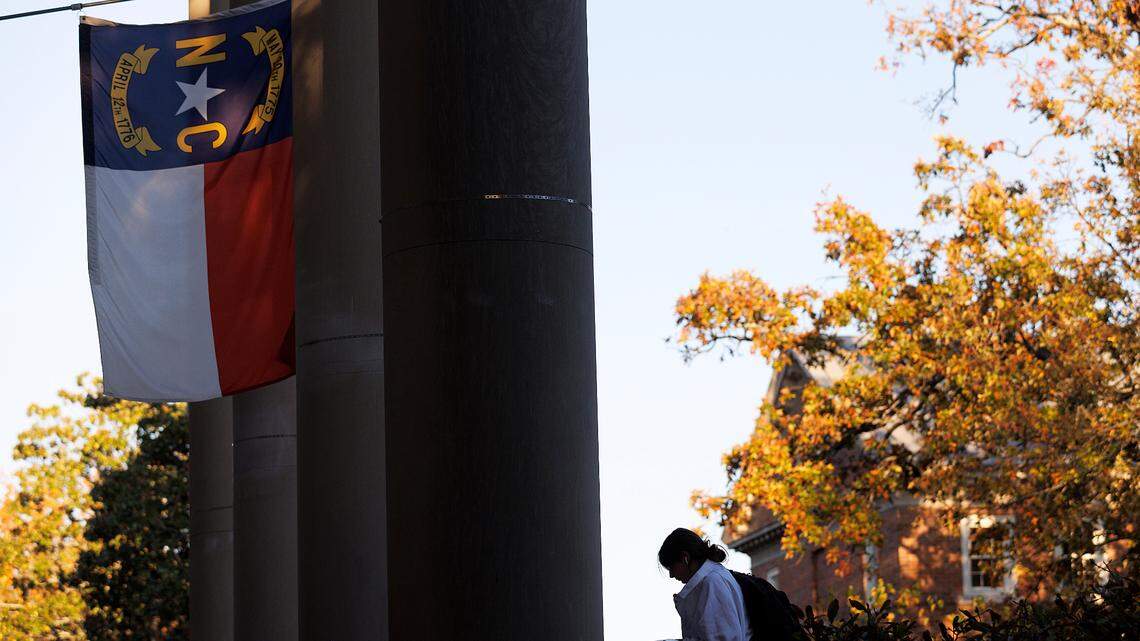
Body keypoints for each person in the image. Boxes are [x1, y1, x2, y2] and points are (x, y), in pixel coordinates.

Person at [658, 528, 752, 641]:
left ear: (685, 558)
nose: (671, 575)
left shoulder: (712, 582)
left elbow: (721, 638)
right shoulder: (713, 578)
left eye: (671, 567)